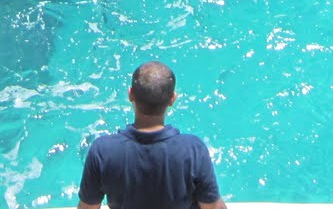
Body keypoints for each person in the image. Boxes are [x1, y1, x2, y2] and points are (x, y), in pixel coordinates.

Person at [76, 61, 225, 209]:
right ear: (172, 99)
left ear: (130, 94)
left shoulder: (102, 150)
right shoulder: (193, 149)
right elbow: (213, 207)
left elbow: (88, 207)